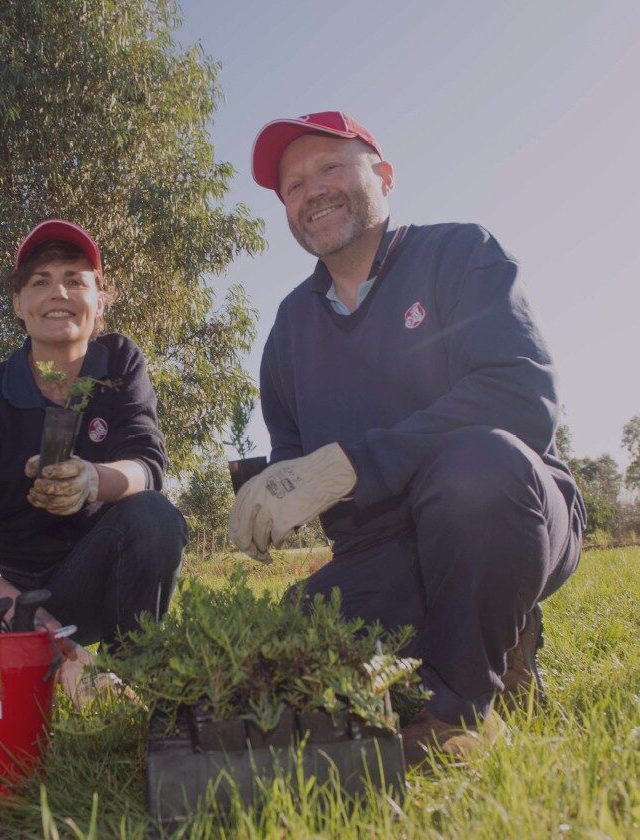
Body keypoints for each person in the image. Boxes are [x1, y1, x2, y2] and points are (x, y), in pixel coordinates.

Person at [229, 111, 585, 762]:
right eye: (292, 186)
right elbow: (298, 467)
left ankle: (457, 708)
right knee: (274, 651)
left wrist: (349, 466)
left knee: (476, 466)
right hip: (381, 553)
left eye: (329, 168)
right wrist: (276, 498)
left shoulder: (459, 254)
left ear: (383, 176)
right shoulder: (287, 332)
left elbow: (519, 395)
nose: (311, 192)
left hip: (507, 511)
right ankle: (498, 644)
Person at [0, 219, 187, 705]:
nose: (58, 292)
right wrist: (16, 608)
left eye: (76, 280)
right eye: (40, 281)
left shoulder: (119, 364)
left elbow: (147, 464)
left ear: (101, 299)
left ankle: (130, 680)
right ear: (18, 304)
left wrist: (92, 480)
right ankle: (42, 663)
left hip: (91, 577)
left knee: (154, 516)